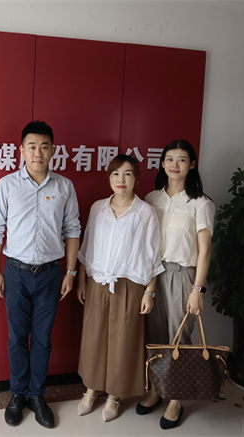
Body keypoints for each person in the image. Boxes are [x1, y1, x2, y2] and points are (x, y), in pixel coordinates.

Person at [0, 120, 81, 429]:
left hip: (51, 274)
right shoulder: (6, 185)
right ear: (21, 150)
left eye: (44, 147)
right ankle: (17, 395)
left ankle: (37, 396)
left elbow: (72, 229)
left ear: (53, 150)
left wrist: (70, 272)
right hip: (15, 272)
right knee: (17, 338)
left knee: (42, 339)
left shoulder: (64, 186)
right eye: (32, 146)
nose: (37, 153)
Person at [76, 154, 164, 422]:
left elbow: (153, 254)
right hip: (98, 282)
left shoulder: (145, 212)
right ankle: (91, 389)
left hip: (130, 285)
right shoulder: (98, 208)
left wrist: (149, 291)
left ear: (136, 177)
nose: (121, 179)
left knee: (123, 341)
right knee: (94, 337)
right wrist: (82, 279)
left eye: (127, 173)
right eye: (115, 173)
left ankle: (114, 394)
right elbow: (87, 245)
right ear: (109, 178)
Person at [136, 139, 214, 430]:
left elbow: (204, 252)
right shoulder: (151, 198)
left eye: (182, 159)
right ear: (162, 163)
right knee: (156, 336)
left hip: (183, 275)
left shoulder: (201, 204)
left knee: (179, 338)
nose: (174, 164)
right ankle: (157, 389)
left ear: (192, 165)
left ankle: (176, 398)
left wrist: (197, 290)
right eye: (169, 159)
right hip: (154, 274)